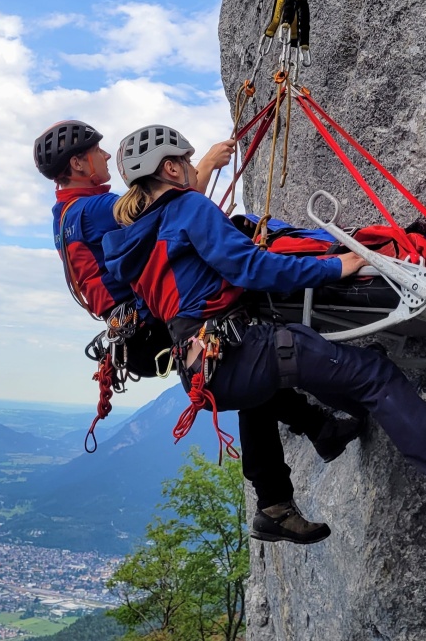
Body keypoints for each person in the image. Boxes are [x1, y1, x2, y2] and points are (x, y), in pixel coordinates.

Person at [102, 123, 426, 540]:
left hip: (204, 368)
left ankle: (308, 467)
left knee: (336, 369)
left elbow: (164, 301)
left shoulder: (130, 242)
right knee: (374, 374)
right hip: (240, 350)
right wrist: (338, 265)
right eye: (185, 160)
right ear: (171, 168)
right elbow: (251, 267)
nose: (190, 167)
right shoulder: (188, 208)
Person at [33, 120, 361, 543]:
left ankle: (312, 441)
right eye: (97, 152)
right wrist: (204, 165)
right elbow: (166, 209)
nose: (106, 156)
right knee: (247, 360)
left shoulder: (62, 217)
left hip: (134, 334)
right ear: (79, 164)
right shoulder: (94, 209)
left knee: (248, 371)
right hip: (152, 324)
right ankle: (284, 485)